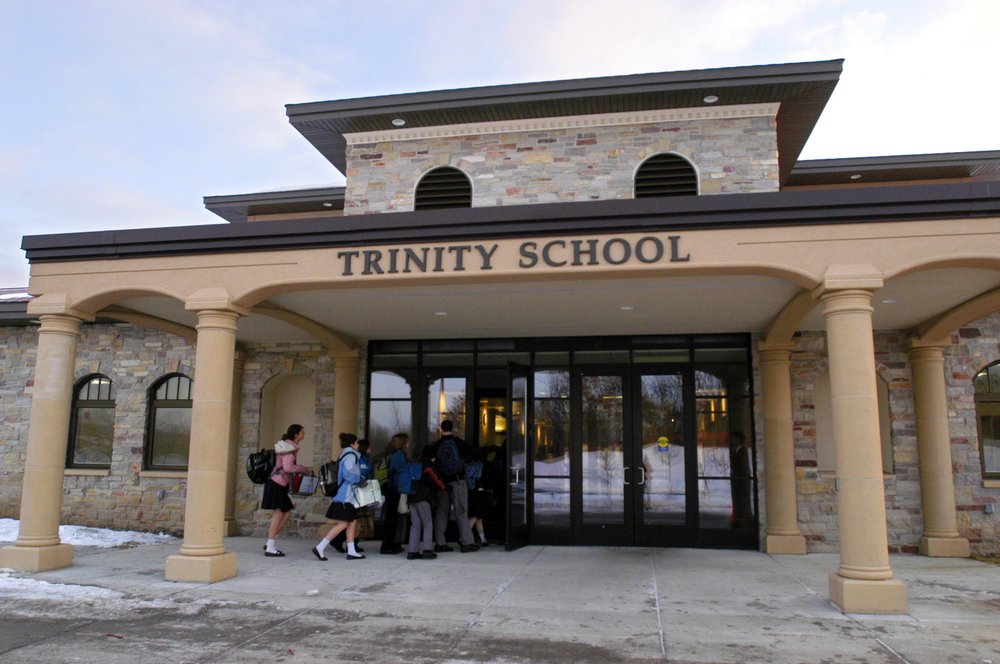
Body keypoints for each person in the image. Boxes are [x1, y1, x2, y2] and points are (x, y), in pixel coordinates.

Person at [311, 433, 366, 561]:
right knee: (343, 524)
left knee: (351, 522)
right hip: (345, 496)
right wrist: (359, 480)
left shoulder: (345, 455)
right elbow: (348, 474)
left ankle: (351, 551)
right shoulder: (351, 456)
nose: (358, 445)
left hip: (345, 496)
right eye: (357, 443)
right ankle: (320, 547)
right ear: (352, 444)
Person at [261, 424, 311, 557]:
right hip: (277, 484)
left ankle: (270, 542)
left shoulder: (287, 446)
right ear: (296, 434)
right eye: (302, 432)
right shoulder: (288, 448)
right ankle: (270, 547)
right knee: (278, 514)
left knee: (287, 513)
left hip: (277, 484)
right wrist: (302, 468)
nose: (304, 434)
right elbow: (288, 468)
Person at [432, 419, 478, 553]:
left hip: (442, 484)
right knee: (461, 512)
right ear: (452, 428)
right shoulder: (458, 443)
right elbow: (472, 453)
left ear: (441, 429)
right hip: (457, 482)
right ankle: (466, 543)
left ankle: (440, 543)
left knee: (441, 512)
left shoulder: (437, 445)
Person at [332, 438, 371, 554]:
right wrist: (361, 481)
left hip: (355, 492)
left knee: (353, 520)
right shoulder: (355, 458)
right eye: (368, 447)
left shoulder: (357, 457)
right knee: (350, 520)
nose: (371, 449)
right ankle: (335, 541)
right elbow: (352, 475)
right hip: (354, 492)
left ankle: (351, 546)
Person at [407, 445, 445, 560]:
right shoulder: (428, 465)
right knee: (427, 523)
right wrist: (444, 487)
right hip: (423, 498)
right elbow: (435, 480)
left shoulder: (415, 463)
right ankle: (427, 550)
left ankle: (412, 552)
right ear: (433, 455)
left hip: (412, 497)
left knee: (415, 524)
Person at [381, 433, 410, 554]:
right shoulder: (399, 455)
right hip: (394, 489)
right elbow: (402, 471)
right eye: (407, 441)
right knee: (392, 518)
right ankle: (388, 545)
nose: (409, 443)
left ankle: (391, 543)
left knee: (392, 517)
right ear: (403, 442)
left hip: (390, 488)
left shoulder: (392, 453)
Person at [466, 453, 489, 546]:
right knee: (475, 516)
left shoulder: (469, 465)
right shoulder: (483, 465)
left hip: (471, 491)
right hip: (480, 492)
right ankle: (463, 536)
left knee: (478, 518)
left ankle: (483, 539)